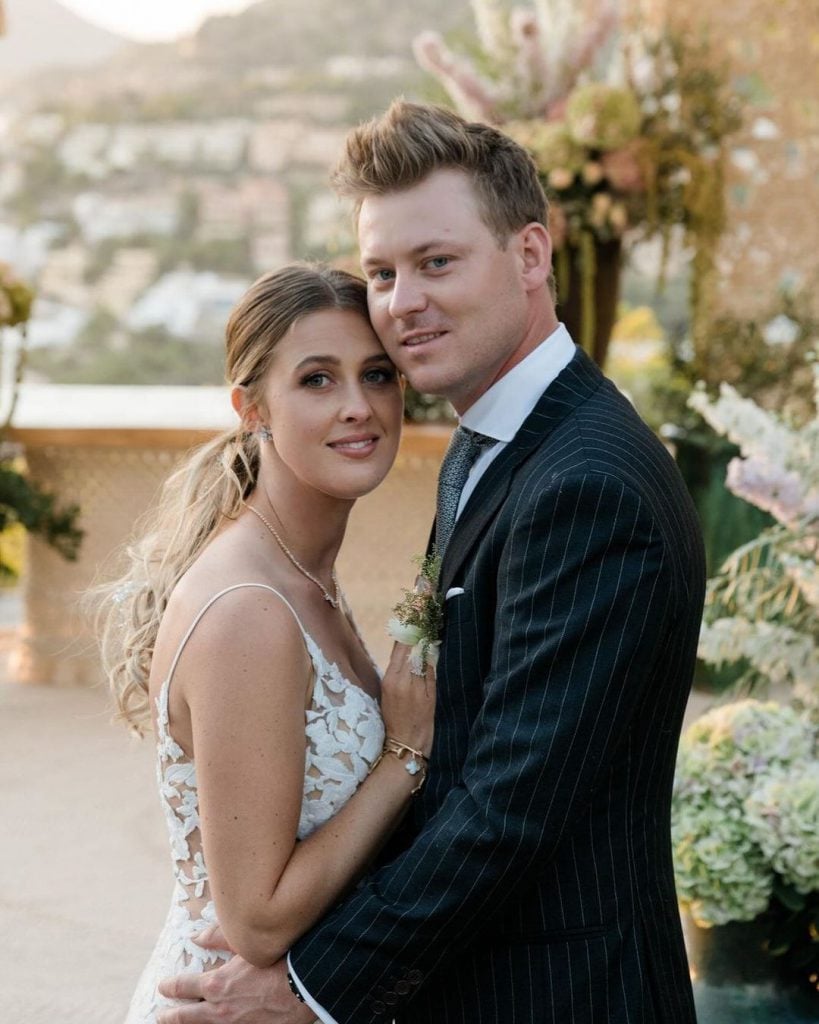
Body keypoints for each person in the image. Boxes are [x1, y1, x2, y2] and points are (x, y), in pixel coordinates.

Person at [157, 101, 705, 1024]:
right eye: (381, 271)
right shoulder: (482, 446)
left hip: (562, 995)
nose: (402, 303)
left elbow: (509, 808)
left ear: (530, 257)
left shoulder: (587, 484)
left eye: (435, 263)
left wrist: (313, 985)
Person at [99, 263, 436, 1024]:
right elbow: (254, 917)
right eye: (317, 380)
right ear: (252, 409)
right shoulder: (250, 606)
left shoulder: (303, 572)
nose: (358, 407)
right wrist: (405, 753)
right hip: (221, 1005)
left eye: (376, 374)